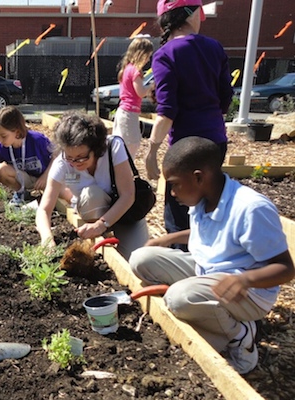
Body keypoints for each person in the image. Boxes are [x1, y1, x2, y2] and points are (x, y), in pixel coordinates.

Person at [129, 136, 294, 375]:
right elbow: (208, 233)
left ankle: (242, 336)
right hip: (207, 271)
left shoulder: (250, 209)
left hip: (247, 292)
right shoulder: (204, 198)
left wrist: (244, 280)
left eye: (174, 184)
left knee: (177, 299)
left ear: (198, 177)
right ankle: (203, 312)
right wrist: (170, 238)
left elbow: (286, 269)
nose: (172, 193)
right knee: (140, 259)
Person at [145, 0, 233, 242]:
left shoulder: (165, 54)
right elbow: (225, 96)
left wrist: (152, 151)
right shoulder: (214, 47)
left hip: (186, 147)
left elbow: (168, 111)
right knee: (209, 203)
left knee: (179, 212)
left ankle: (183, 267)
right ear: (192, 14)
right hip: (215, 141)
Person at [36, 111, 149, 259]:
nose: (75, 163)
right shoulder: (62, 163)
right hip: (93, 211)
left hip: (124, 212)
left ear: (96, 149)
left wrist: (101, 224)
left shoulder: (113, 148)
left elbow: (128, 195)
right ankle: (99, 236)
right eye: (70, 158)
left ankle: (107, 232)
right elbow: (44, 209)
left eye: (81, 158)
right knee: (91, 195)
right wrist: (47, 239)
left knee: (136, 258)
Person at [112, 37, 154, 158]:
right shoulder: (135, 71)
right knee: (132, 144)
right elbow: (140, 92)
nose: (148, 59)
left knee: (121, 144)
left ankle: (119, 170)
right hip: (129, 113)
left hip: (124, 112)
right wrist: (152, 86)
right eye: (148, 56)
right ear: (141, 54)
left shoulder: (127, 68)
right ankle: (126, 172)